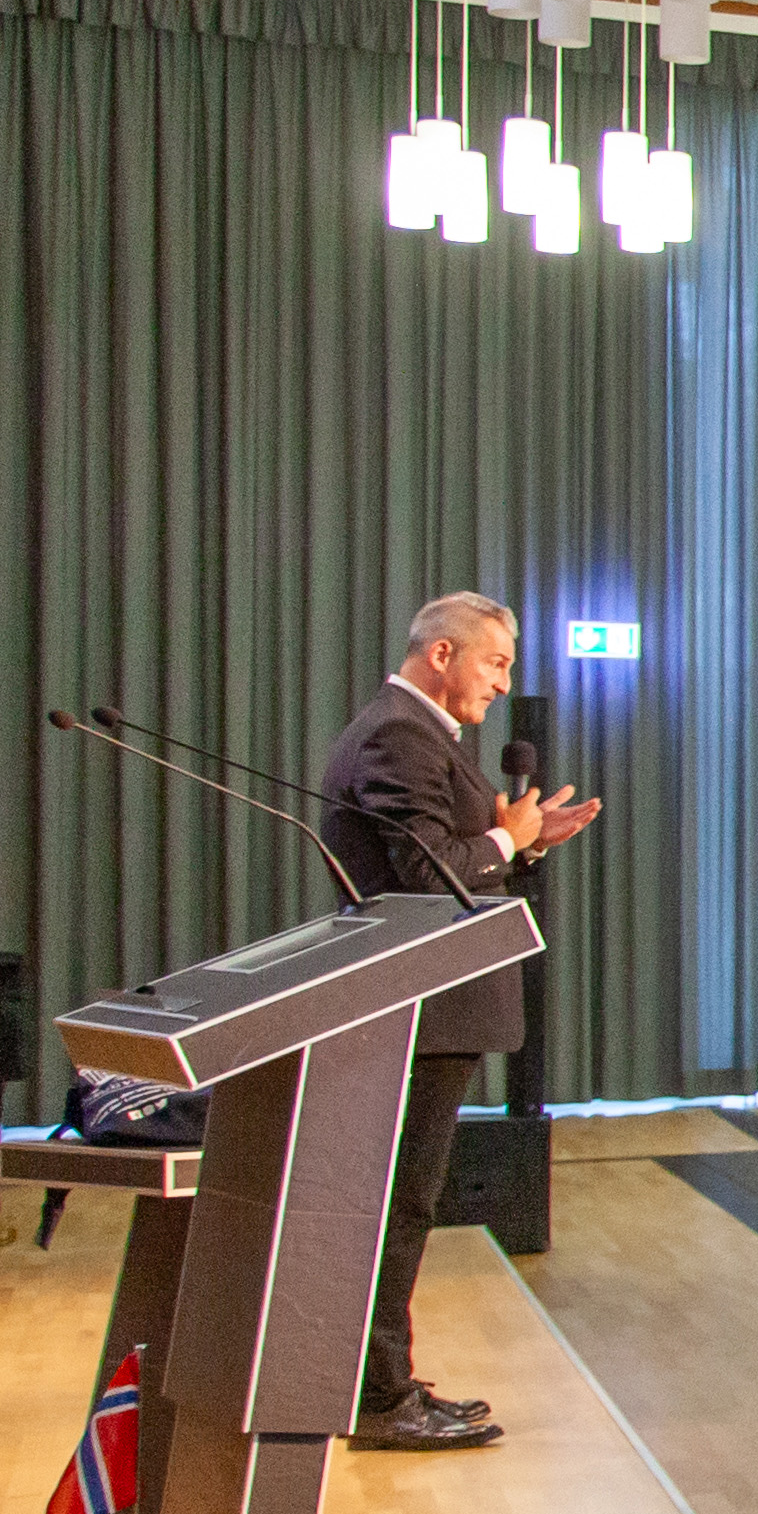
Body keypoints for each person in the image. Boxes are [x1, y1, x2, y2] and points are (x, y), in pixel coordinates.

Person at [313, 590, 598, 1451]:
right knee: (399, 1203)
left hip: (431, 1009)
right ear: (442, 655)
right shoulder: (400, 736)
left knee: (407, 1200)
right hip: (417, 1008)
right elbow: (423, 877)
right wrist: (509, 841)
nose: (503, 684)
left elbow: (447, 858)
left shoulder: (412, 734)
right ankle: (375, 1394)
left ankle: (383, 1382)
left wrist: (526, 836)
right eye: (495, 662)